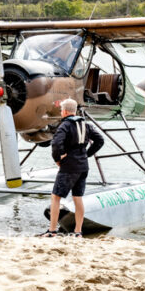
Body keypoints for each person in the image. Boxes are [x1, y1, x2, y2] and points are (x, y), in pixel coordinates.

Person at [40, 98, 104, 237]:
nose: (61, 112)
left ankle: (52, 231)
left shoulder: (65, 125)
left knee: (55, 197)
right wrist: (87, 154)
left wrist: (58, 159)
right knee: (77, 197)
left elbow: (56, 144)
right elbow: (100, 140)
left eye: (61, 110)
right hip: (83, 166)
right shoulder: (86, 124)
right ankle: (78, 232)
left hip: (69, 167)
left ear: (65, 111)